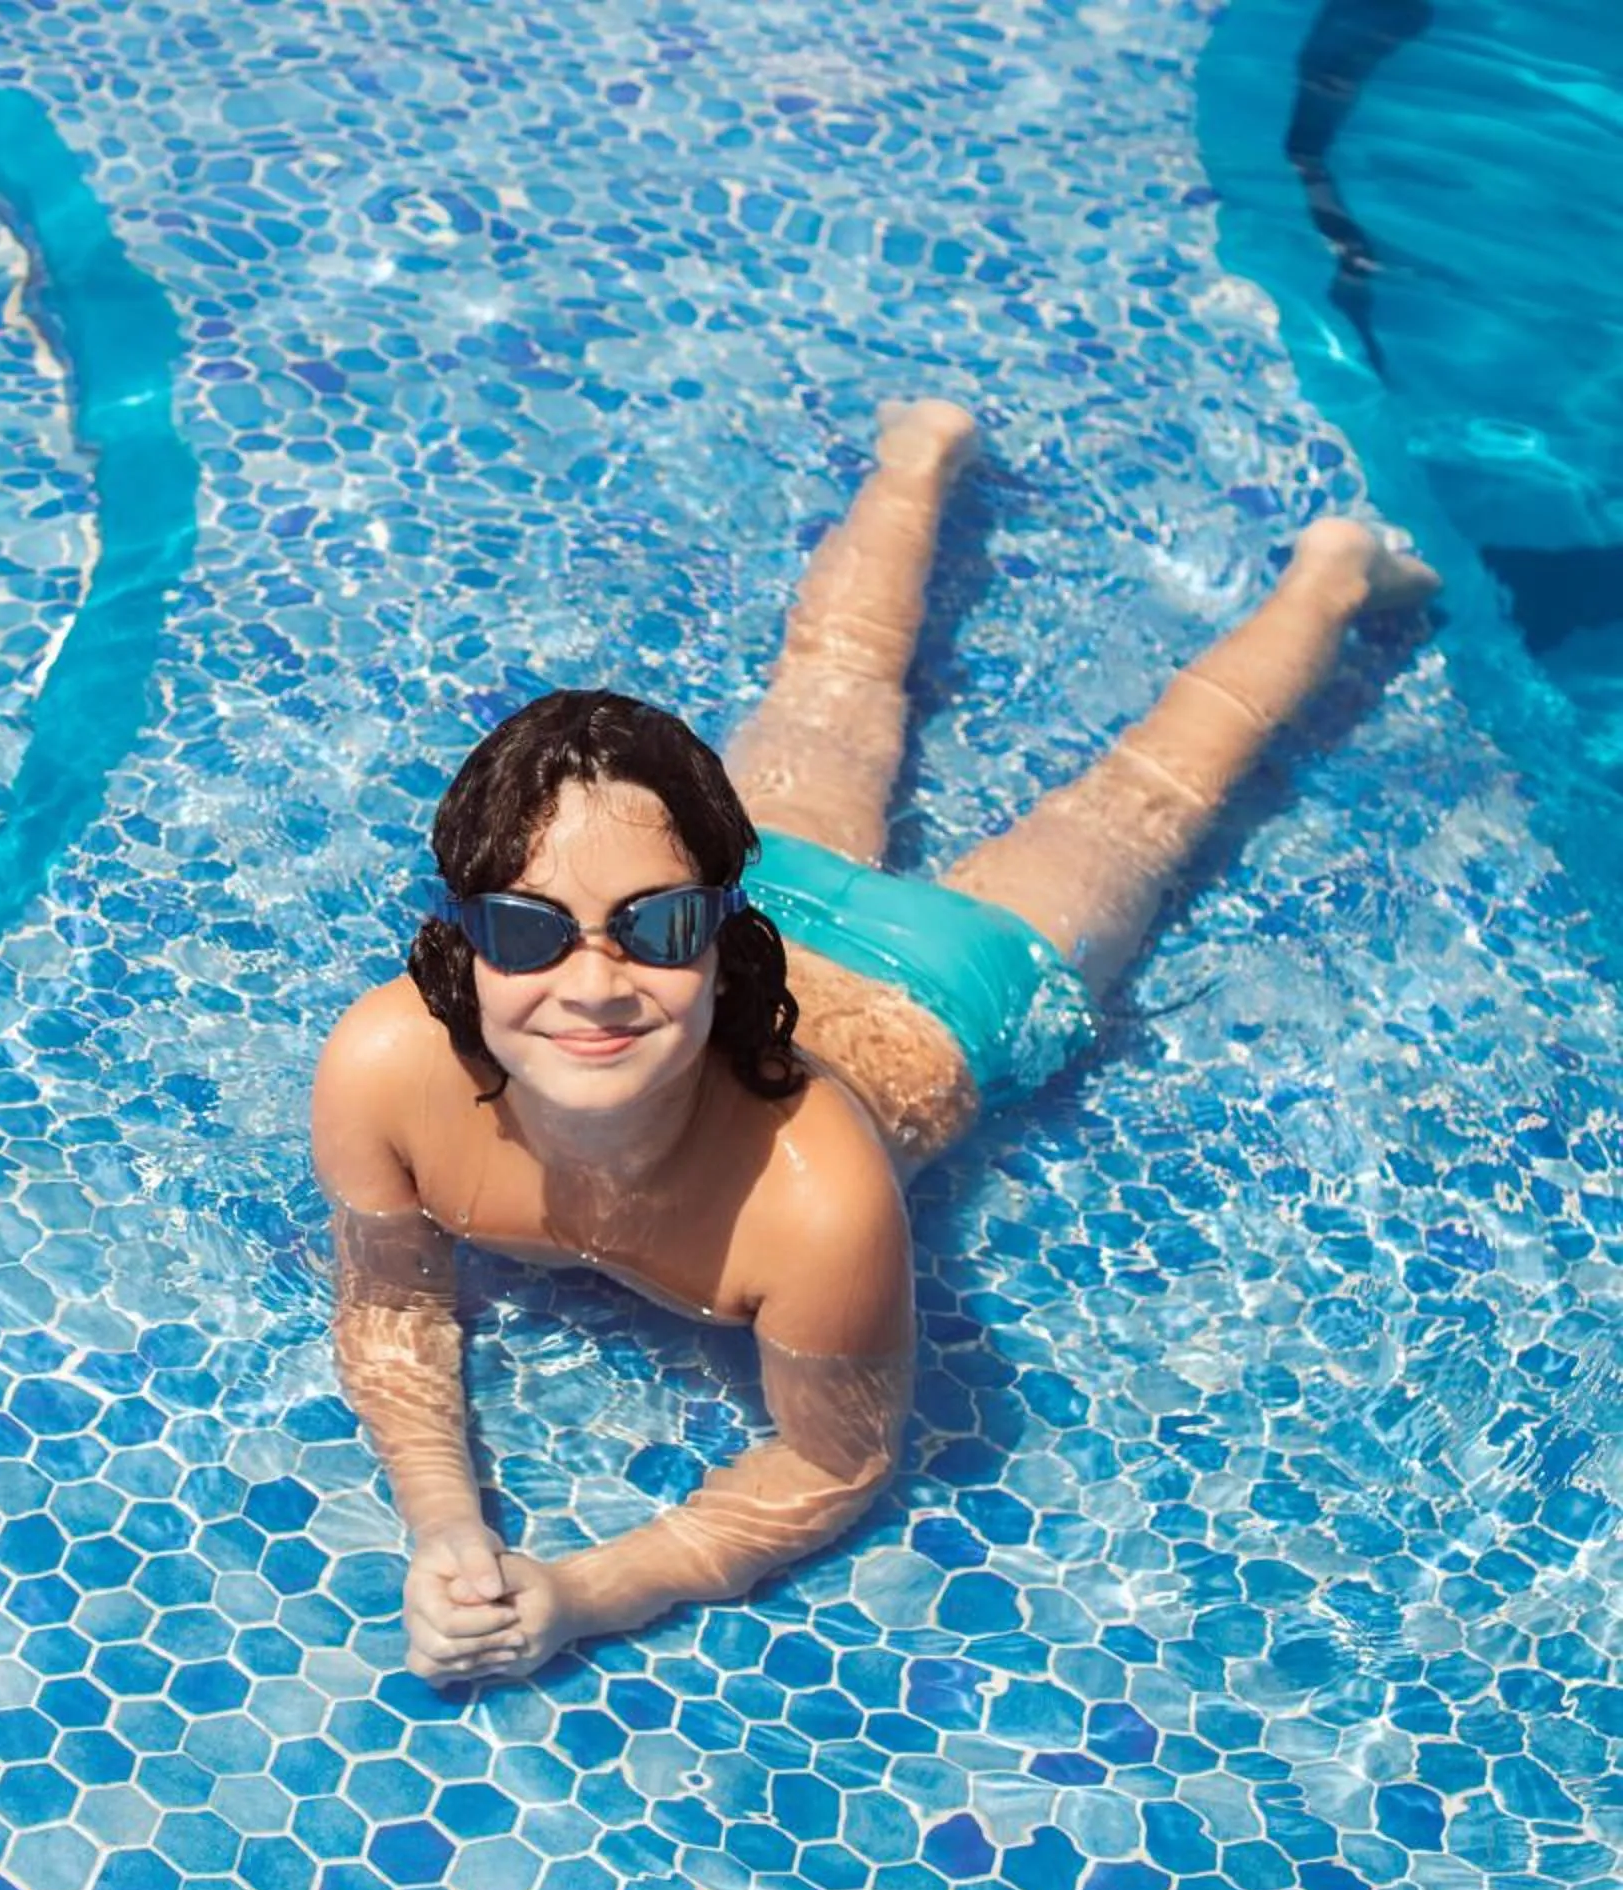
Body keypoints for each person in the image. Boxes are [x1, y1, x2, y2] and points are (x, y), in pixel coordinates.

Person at [310, 400, 1439, 1686]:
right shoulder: (387, 1067)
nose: (596, 983)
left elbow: (834, 1458)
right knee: (832, 679)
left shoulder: (815, 1199)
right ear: (460, 944)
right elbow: (390, 1303)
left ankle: (1335, 572)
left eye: (657, 929)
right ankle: (922, 447)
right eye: (529, 931)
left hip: (951, 982)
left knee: (1156, 788)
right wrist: (449, 1525)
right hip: (767, 876)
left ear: (718, 929)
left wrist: (586, 1589)